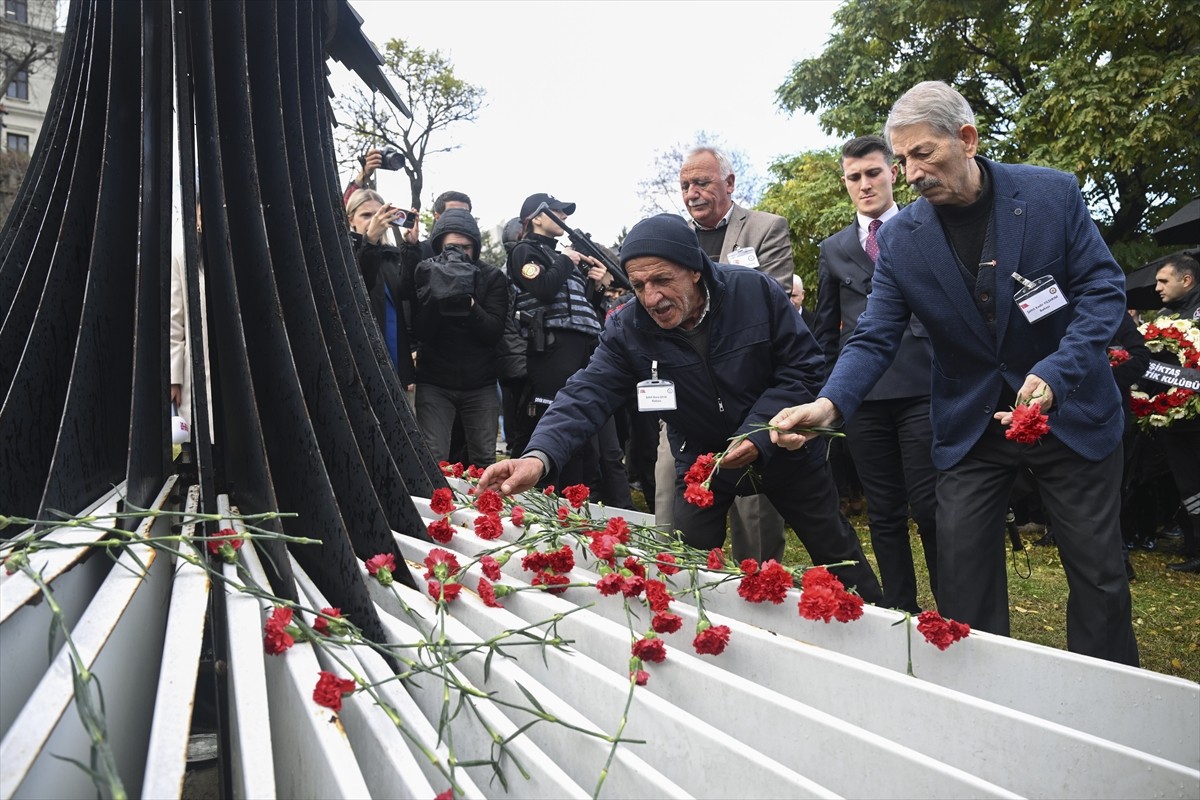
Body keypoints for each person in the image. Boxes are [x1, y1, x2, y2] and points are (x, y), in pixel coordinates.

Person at [769, 80, 1138, 666]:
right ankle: (981, 703)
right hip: (971, 428)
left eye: (923, 154)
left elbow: (1102, 290)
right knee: (963, 581)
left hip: (1072, 413)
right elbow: (874, 334)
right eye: (902, 160)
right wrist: (829, 405)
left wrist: (1057, 370)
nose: (910, 174)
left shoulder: (1051, 195)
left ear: (966, 139)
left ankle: (1110, 704)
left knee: (1098, 576)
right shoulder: (901, 238)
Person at [479, 214, 883, 602]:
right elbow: (586, 393)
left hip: (783, 447)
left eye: (661, 280)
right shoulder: (627, 327)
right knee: (682, 573)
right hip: (703, 462)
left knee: (838, 555)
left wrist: (758, 434)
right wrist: (538, 456)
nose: (651, 298)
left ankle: (885, 636)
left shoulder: (754, 292)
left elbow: (804, 366)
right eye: (638, 285)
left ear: (695, 269)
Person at [812, 135, 938, 614]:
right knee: (883, 511)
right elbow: (825, 331)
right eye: (854, 177)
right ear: (845, 183)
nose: (864, 185)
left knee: (929, 508)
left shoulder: (926, 224)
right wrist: (828, 396)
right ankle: (900, 610)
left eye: (873, 173)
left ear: (892, 171)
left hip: (924, 386)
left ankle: (951, 608)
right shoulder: (834, 249)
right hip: (862, 395)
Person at [654, 146, 797, 563]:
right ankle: (679, 586)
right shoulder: (672, 240)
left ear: (730, 184)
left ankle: (760, 592)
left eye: (702, 183)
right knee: (673, 496)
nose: (692, 193)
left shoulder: (767, 228)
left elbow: (775, 299)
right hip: (686, 395)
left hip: (752, 392)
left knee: (754, 512)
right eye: (685, 186)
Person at [507, 193, 613, 487]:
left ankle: (581, 497)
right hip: (552, 347)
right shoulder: (524, 251)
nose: (564, 217)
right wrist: (567, 261)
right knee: (558, 418)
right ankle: (554, 497)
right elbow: (542, 288)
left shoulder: (563, 257)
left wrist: (596, 284)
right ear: (537, 217)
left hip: (584, 343)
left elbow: (584, 309)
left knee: (583, 430)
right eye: (556, 211)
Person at [395, 208, 508, 466]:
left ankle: (483, 507)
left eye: (465, 248)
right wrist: (438, 295)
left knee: (483, 461)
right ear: (438, 247)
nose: (458, 254)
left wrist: (469, 303)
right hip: (435, 381)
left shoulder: (490, 277)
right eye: (451, 248)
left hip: (481, 383)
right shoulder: (427, 272)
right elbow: (420, 331)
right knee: (434, 459)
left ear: (476, 248)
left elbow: (493, 332)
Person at [1151, 253, 1200, 572]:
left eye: (1163, 280)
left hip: (1196, 415)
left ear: (1187, 280)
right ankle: (1194, 546)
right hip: (1171, 416)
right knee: (1187, 484)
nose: (1156, 287)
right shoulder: (1163, 316)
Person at [346, 188, 418, 393]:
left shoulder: (393, 256)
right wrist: (369, 242)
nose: (373, 220)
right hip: (359, 363)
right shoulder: (343, 256)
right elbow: (357, 289)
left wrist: (411, 248)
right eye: (366, 215)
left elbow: (409, 297)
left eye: (379, 215)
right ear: (351, 219)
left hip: (395, 358)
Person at [1155, 253, 1200, 321]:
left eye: (1164, 281)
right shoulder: (1163, 316)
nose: (1157, 288)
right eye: (1157, 282)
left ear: (1186, 281)